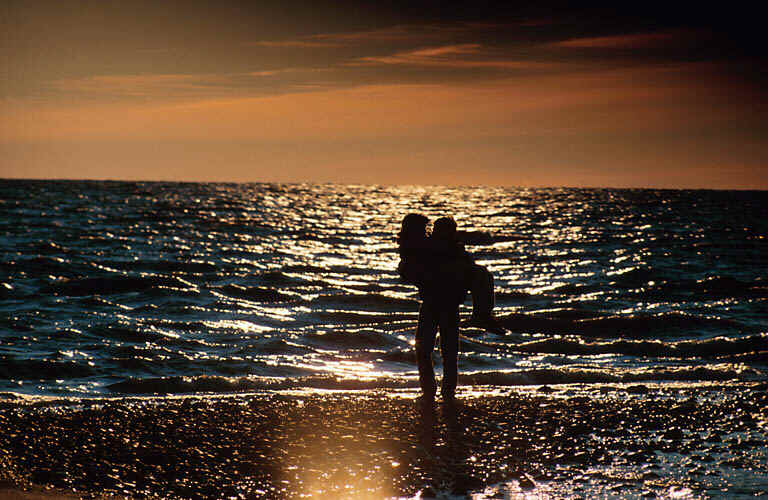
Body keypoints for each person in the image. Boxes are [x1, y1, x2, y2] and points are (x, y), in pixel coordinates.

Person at [397, 214, 506, 399]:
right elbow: (410, 268)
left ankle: (441, 391)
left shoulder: (449, 251)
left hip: (444, 305)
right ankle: (435, 391)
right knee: (435, 351)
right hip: (436, 304)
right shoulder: (427, 249)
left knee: (443, 352)